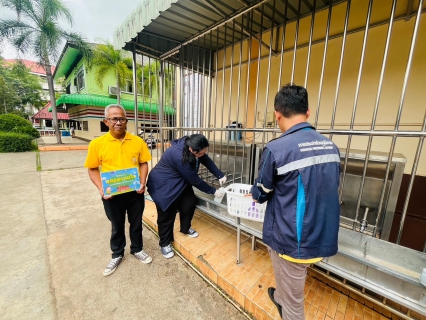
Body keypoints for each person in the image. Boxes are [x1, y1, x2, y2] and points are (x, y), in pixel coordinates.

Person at [251, 84, 341, 319]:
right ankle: (279, 297)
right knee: (289, 283)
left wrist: (254, 191)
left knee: (294, 305)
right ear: (308, 112)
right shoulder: (330, 147)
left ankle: (285, 304)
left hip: (293, 240)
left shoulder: (276, 149)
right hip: (321, 233)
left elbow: (262, 192)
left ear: (277, 115)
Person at [84, 104, 153, 277]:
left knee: (136, 223)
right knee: (117, 225)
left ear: (126, 121)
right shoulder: (97, 144)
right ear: (106, 121)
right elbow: (92, 169)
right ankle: (117, 254)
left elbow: (143, 163)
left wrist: (142, 182)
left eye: (122, 118)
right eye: (114, 119)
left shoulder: (138, 141)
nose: (118, 122)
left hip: (134, 192)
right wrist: (101, 188)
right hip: (112, 194)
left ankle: (137, 249)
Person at [146, 134, 226, 259]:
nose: (203, 154)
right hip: (164, 184)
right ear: (191, 150)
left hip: (180, 181)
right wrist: (213, 191)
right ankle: (165, 243)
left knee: (189, 203)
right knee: (166, 213)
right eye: (200, 153)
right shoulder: (178, 155)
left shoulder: (193, 147)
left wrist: (220, 175)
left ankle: (185, 228)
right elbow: (195, 180)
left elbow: (205, 159)